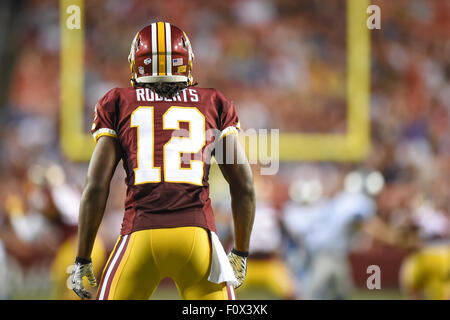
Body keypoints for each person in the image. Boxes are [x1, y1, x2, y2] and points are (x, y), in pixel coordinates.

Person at [69, 22, 255, 300]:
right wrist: (240, 252)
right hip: (198, 238)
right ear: (187, 62)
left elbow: (96, 185)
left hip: (140, 234)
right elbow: (244, 186)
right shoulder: (214, 102)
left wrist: (83, 257)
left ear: (136, 64)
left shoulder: (118, 101)